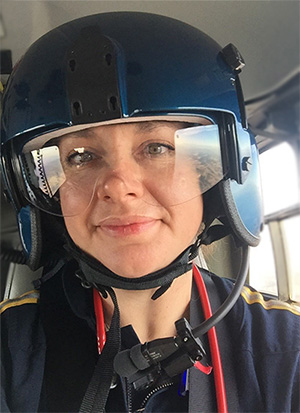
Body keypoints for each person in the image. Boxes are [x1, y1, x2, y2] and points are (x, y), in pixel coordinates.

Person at [0, 12, 299, 413]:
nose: (119, 187)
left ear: (220, 175)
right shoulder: (9, 347)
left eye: (157, 148)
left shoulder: (287, 347)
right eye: (81, 156)